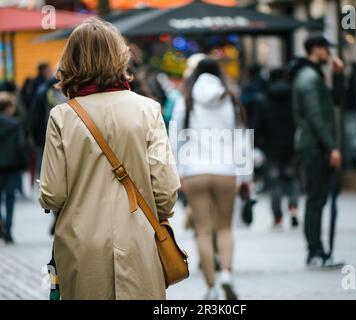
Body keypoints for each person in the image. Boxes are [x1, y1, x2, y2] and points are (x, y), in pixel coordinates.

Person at [38, 18, 180, 299]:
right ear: (120, 57)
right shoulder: (148, 110)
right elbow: (165, 190)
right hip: (139, 242)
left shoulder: (62, 117)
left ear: (72, 60)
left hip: (81, 246)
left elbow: (52, 194)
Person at [170, 58, 250, 300]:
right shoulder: (231, 101)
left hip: (195, 171)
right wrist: (245, 175)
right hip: (226, 171)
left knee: (203, 231)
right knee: (225, 228)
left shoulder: (186, 100)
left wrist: (178, 172)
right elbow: (242, 138)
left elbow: (175, 138)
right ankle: (226, 273)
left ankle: (211, 287)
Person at [291, 35, 344, 269]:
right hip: (313, 146)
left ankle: (317, 251)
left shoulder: (314, 75)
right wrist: (331, 146)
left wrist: (339, 75)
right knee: (315, 199)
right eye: (326, 50)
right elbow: (315, 116)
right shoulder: (309, 78)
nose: (328, 54)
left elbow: (337, 100)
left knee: (318, 199)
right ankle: (315, 252)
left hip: (314, 144)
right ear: (316, 49)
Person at [256, 67, 299, 228]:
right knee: (292, 178)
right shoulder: (293, 97)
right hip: (291, 146)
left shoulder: (263, 99)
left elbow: (257, 126)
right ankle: (294, 208)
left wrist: (260, 145)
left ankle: (278, 216)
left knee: (275, 183)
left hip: (271, 148)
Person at [0, 92, 28, 244]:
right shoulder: (16, 124)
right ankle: (9, 230)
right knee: (10, 199)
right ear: (8, 108)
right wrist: (24, 163)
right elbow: (21, 146)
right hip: (12, 166)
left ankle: (1, 221)